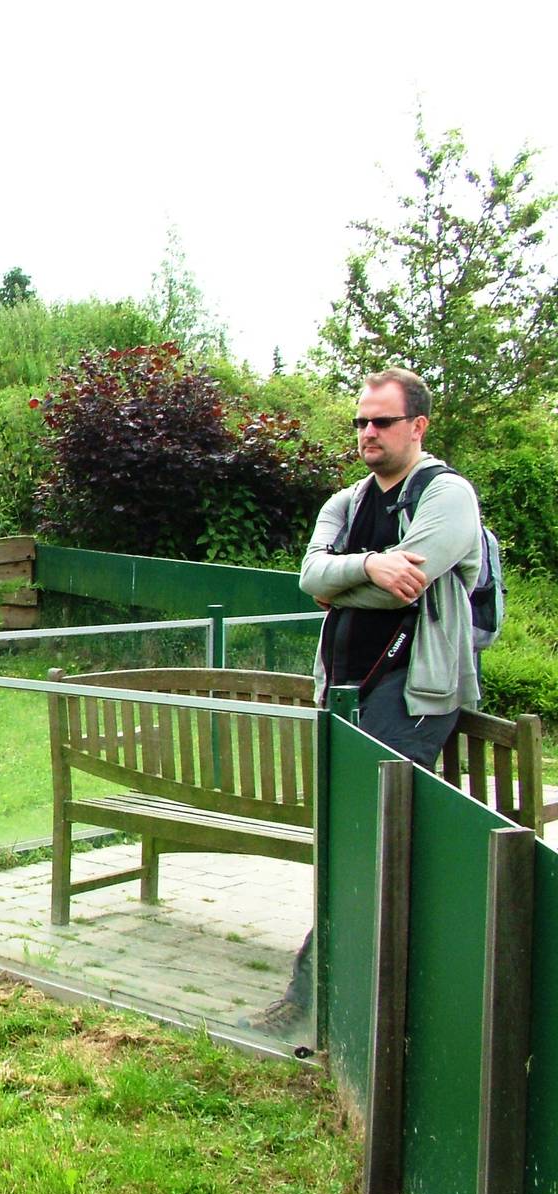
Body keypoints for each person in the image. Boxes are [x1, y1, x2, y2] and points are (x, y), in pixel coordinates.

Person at [246, 366, 482, 1041]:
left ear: (418, 426)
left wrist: (348, 577)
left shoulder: (446, 496)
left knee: (362, 845)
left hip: (414, 696)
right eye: (360, 421)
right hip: (345, 694)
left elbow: (404, 584)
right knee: (352, 843)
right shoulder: (347, 502)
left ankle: (316, 1004)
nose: (368, 432)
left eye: (382, 420)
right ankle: (351, 1001)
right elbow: (308, 576)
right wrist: (372, 565)